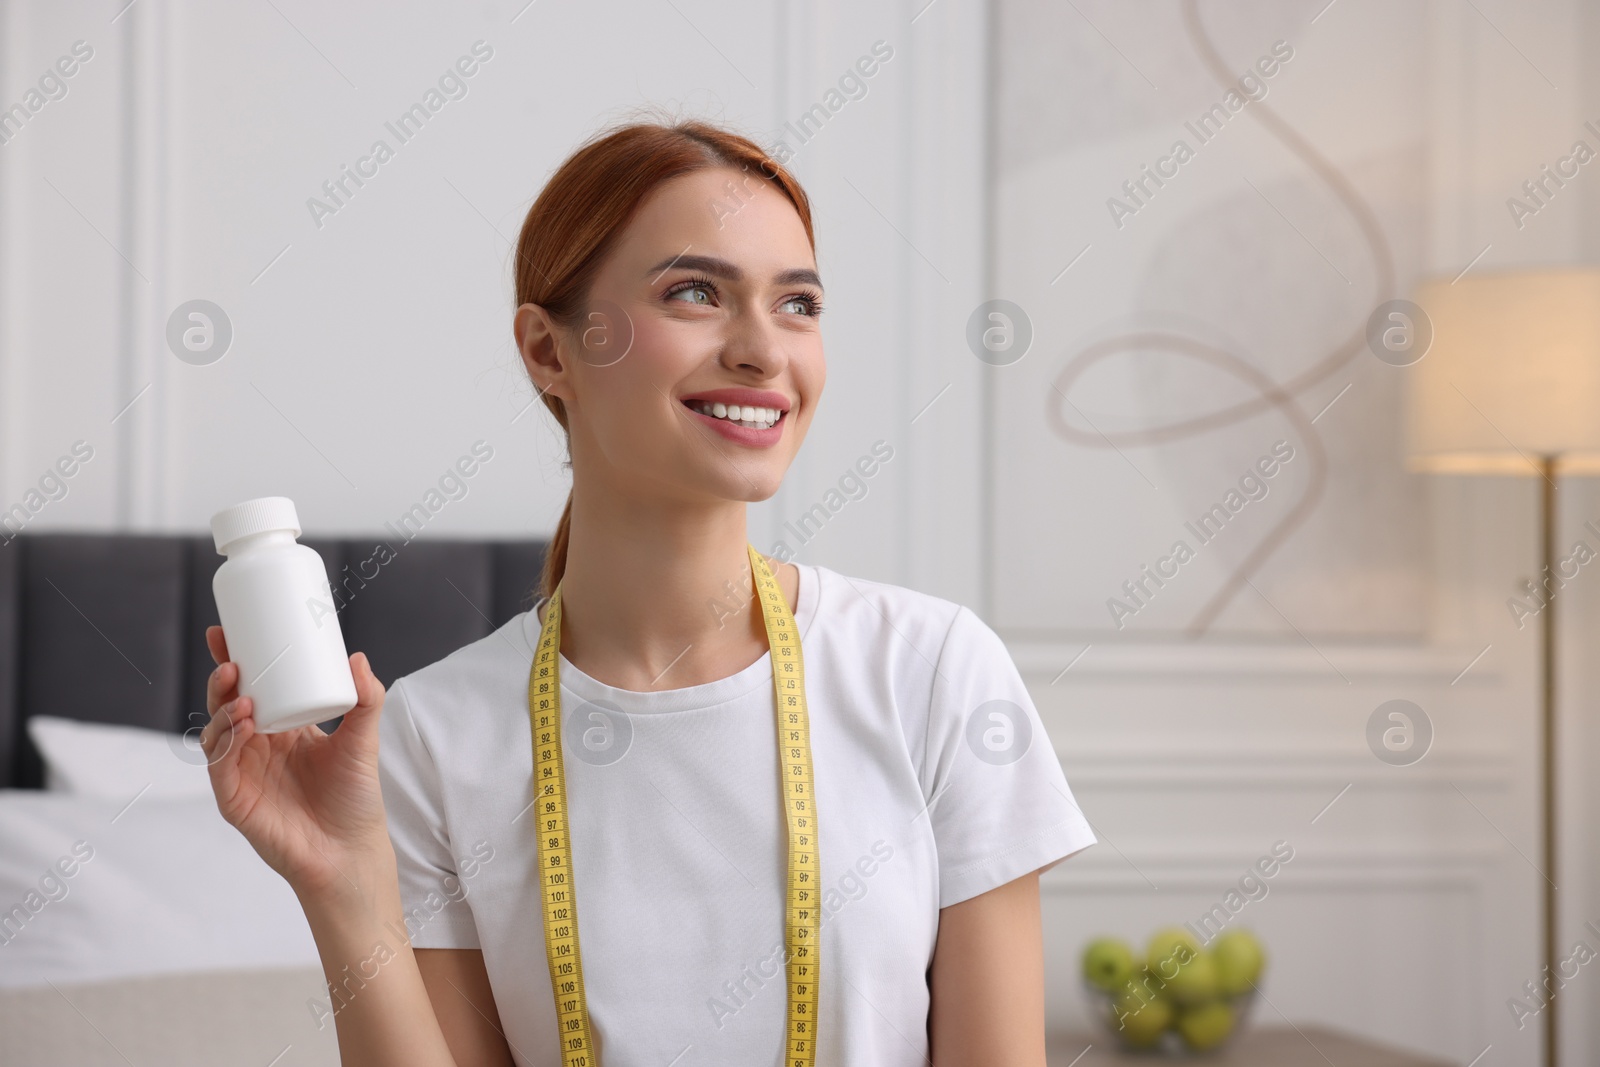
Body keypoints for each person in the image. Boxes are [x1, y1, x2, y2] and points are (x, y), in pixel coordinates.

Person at [198, 117, 1096, 1067]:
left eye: (798, 304)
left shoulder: (932, 672)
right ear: (549, 351)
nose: (763, 351)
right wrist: (343, 886)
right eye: (696, 292)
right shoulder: (430, 735)